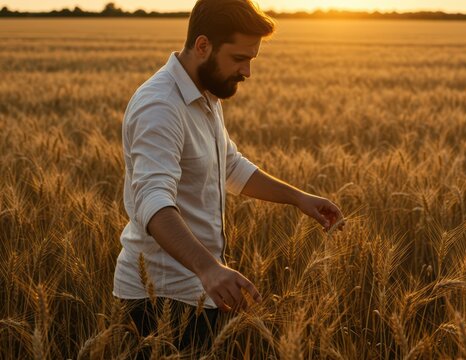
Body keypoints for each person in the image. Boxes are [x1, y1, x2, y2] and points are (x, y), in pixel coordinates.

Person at [112, 0, 344, 356]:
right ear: (203, 46)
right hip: (159, 301)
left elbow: (230, 167)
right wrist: (209, 268)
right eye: (239, 58)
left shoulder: (205, 93)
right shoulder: (160, 106)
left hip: (202, 290)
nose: (247, 72)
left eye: (251, 59)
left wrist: (299, 198)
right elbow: (152, 202)